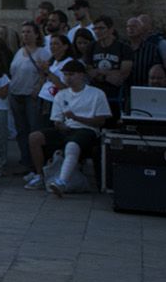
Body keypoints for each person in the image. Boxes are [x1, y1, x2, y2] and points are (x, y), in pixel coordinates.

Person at [26, 60, 112, 196]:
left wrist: (77, 118)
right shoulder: (61, 95)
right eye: (65, 75)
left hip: (87, 130)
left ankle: (62, 182)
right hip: (67, 129)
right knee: (34, 137)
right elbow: (57, 120)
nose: (68, 78)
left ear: (82, 75)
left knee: (72, 144)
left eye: (71, 74)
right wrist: (61, 125)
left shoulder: (96, 94)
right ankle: (39, 176)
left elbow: (100, 121)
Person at [9, 20, 50, 168]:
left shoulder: (42, 53)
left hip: (31, 96)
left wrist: (38, 88)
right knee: (21, 130)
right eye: (23, 32)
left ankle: (36, 164)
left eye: (29, 32)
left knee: (34, 129)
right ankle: (25, 161)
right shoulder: (19, 52)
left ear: (36, 34)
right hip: (16, 94)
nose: (25, 35)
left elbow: (46, 74)